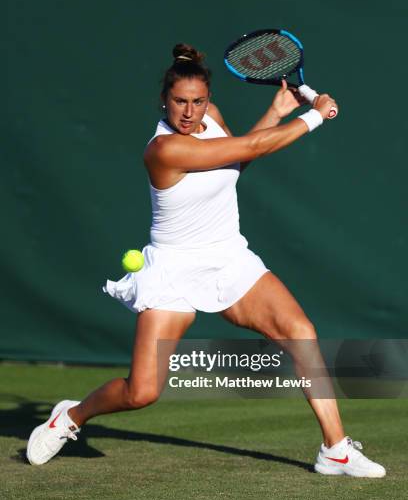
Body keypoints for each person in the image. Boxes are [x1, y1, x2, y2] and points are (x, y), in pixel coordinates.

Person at [27, 43, 385, 478]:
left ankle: (336, 449)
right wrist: (313, 116)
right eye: (180, 101)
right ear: (164, 100)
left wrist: (275, 115)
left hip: (229, 258)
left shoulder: (211, 117)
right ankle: (71, 416)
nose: (189, 111)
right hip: (173, 271)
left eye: (197, 102)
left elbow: (238, 160)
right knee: (141, 393)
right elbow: (252, 146)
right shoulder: (163, 150)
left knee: (300, 332)